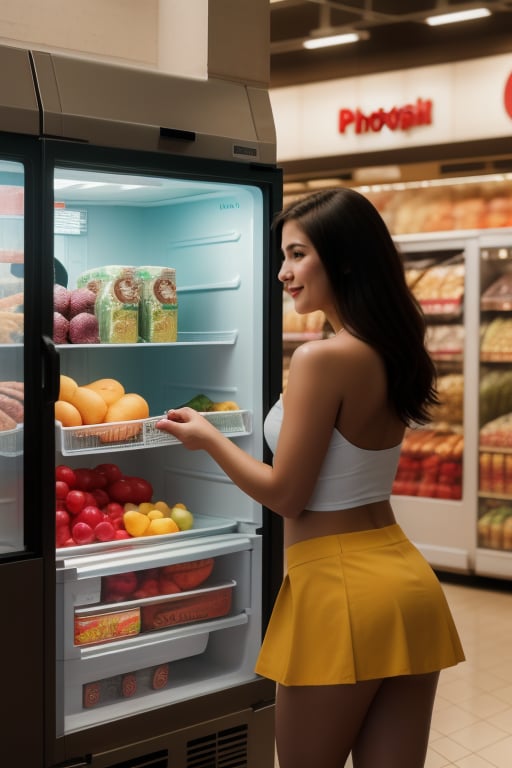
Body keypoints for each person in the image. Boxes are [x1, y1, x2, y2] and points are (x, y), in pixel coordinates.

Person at [156, 187, 465, 768]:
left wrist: (208, 437)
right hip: (405, 584)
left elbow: (287, 495)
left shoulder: (322, 359)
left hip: (336, 588)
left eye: (297, 255)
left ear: (344, 258)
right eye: (283, 257)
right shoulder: (386, 348)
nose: (282, 273)